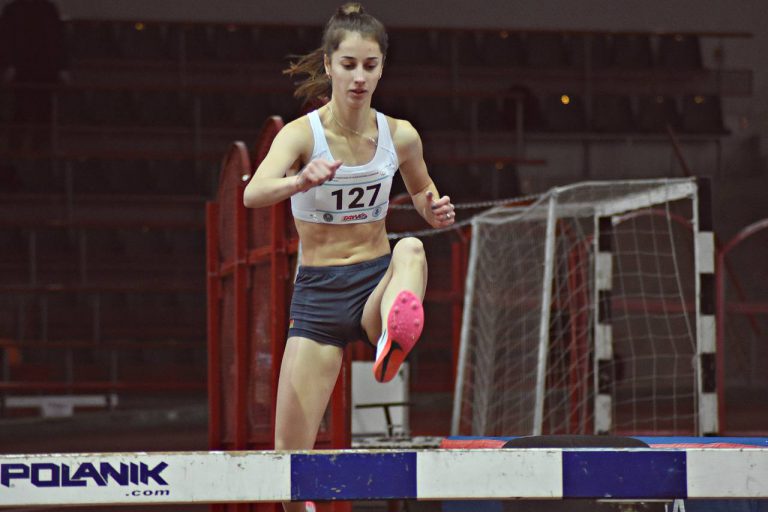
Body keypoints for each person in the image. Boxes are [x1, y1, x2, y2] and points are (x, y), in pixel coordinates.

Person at [243, 3, 454, 510]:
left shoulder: (401, 135)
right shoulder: (302, 134)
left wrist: (433, 209)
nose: (359, 77)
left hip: (374, 284)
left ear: (381, 69)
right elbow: (253, 193)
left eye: (370, 66)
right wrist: (300, 180)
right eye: (349, 65)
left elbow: (422, 191)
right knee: (288, 465)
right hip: (318, 297)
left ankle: (393, 338)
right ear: (329, 65)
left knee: (412, 247)